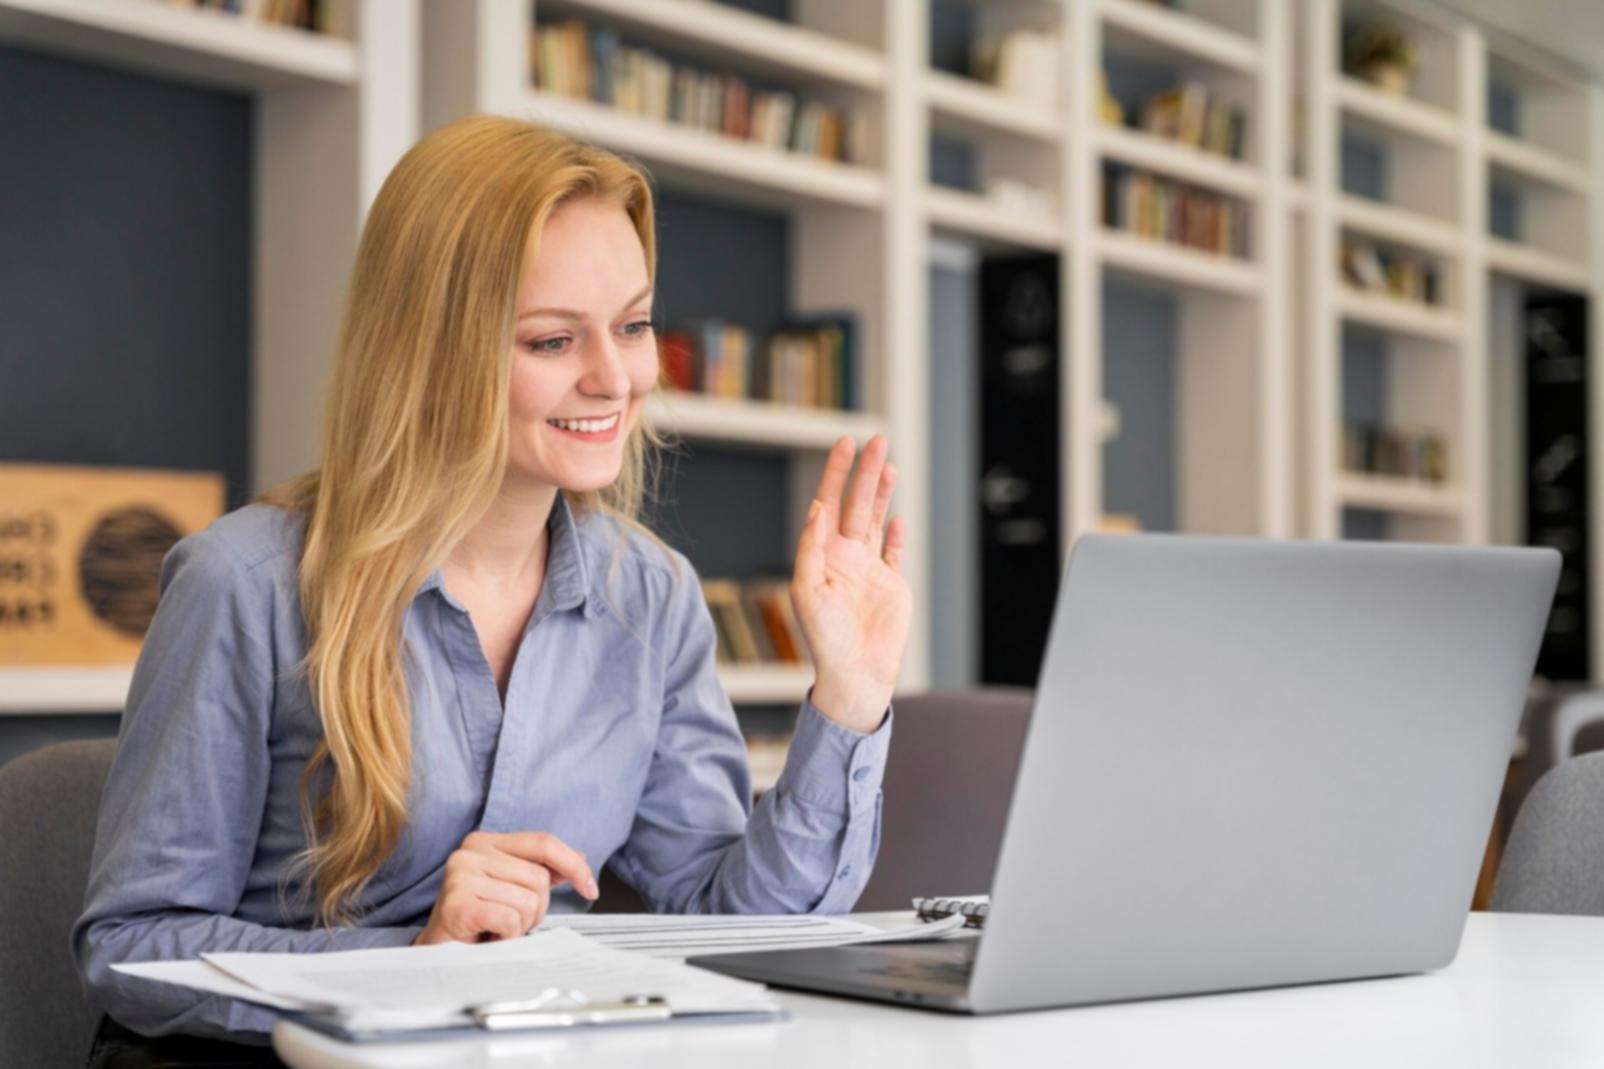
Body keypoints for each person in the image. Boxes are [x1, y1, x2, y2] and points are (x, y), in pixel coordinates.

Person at [73, 114, 910, 1061]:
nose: (615, 378)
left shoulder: (653, 596)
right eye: (553, 341)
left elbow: (730, 928)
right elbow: (131, 949)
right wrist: (414, 966)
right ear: (432, 352)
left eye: (633, 326)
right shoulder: (245, 584)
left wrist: (849, 693)